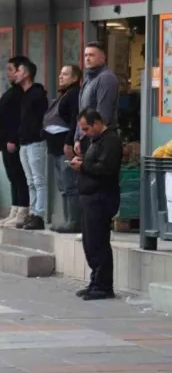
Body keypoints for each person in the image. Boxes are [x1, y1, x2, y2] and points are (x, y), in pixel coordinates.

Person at [69, 109, 122, 300]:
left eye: (86, 128)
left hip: (101, 198)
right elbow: (94, 164)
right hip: (89, 197)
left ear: (97, 123)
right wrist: (81, 163)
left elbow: (106, 169)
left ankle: (104, 285)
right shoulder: (95, 141)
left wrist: (83, 166)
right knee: (90, 242)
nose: (85, 133)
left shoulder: (110, 141)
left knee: (99, 242)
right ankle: (95, 281)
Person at [0, 56, 30, 227]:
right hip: (4, 140)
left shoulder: (20, 94)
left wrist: (11, 138)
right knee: (12, 176)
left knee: (18, 175)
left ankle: (23, 211)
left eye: (11, 70)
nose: (8, 74)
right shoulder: (12, 91)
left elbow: (17, 119)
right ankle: (14, 209)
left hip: (12, 141)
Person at [43, 65, 82, 233]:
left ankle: (74, 221)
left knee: (70, 185)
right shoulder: (63, 95)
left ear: (75, 78)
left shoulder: (73, 94)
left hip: (65, 148)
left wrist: (69, 142)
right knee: (63, 186)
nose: (60, 77)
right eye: (60, 74)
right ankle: (67, 219)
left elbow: (75, 120)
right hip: (56, 148)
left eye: (65, 74)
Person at [14, 60, 49, 230]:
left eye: (18, 70)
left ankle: (39, 214)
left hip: (35, 141)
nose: (15, 74)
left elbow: (40, 118)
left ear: (27, 74)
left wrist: (36, 131)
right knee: (30, 181)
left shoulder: (36, 94)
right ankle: (32, 212)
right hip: (25, 142)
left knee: (38, 179)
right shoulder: (24, 95)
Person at [75, 42, 119, 156]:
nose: (87, 59)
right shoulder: (88, 79)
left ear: (102, 58)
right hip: (87, 136)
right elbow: (81, 111)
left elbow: (103, 115)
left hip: (99, 139)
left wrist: (90, 138)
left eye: (91, 55)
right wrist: (78, 138)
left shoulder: (106, 78)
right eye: (85, 55)